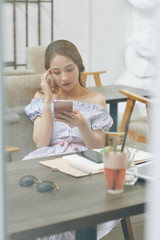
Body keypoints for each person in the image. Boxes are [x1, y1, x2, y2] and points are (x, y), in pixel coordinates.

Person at [23, 39, 120, 239]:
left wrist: (81, 124)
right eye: (56, 72)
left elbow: (98, 147)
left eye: (69, 69)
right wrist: (49, 99)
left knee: (70, 205)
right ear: (48, 73)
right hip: (48, 159)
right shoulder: (41, 97)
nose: (64, 78)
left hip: (84, 160)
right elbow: (40, 143)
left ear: (79, 67)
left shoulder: (95, 100)